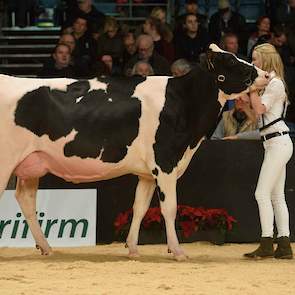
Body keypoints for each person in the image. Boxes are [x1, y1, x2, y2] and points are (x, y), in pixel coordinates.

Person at [244, 43, 293, 259]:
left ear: (265, 60)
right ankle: (283, 245)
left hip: (278, 142)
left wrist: (252, 90)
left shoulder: (275, 84)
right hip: (274, 141)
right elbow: (258, 117)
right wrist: (245, 102)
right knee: (276, 196)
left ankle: (266, 242)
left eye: (255, 59)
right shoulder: (270, 85)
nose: (253, 63)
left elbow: (261, 109)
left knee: (261, 193)